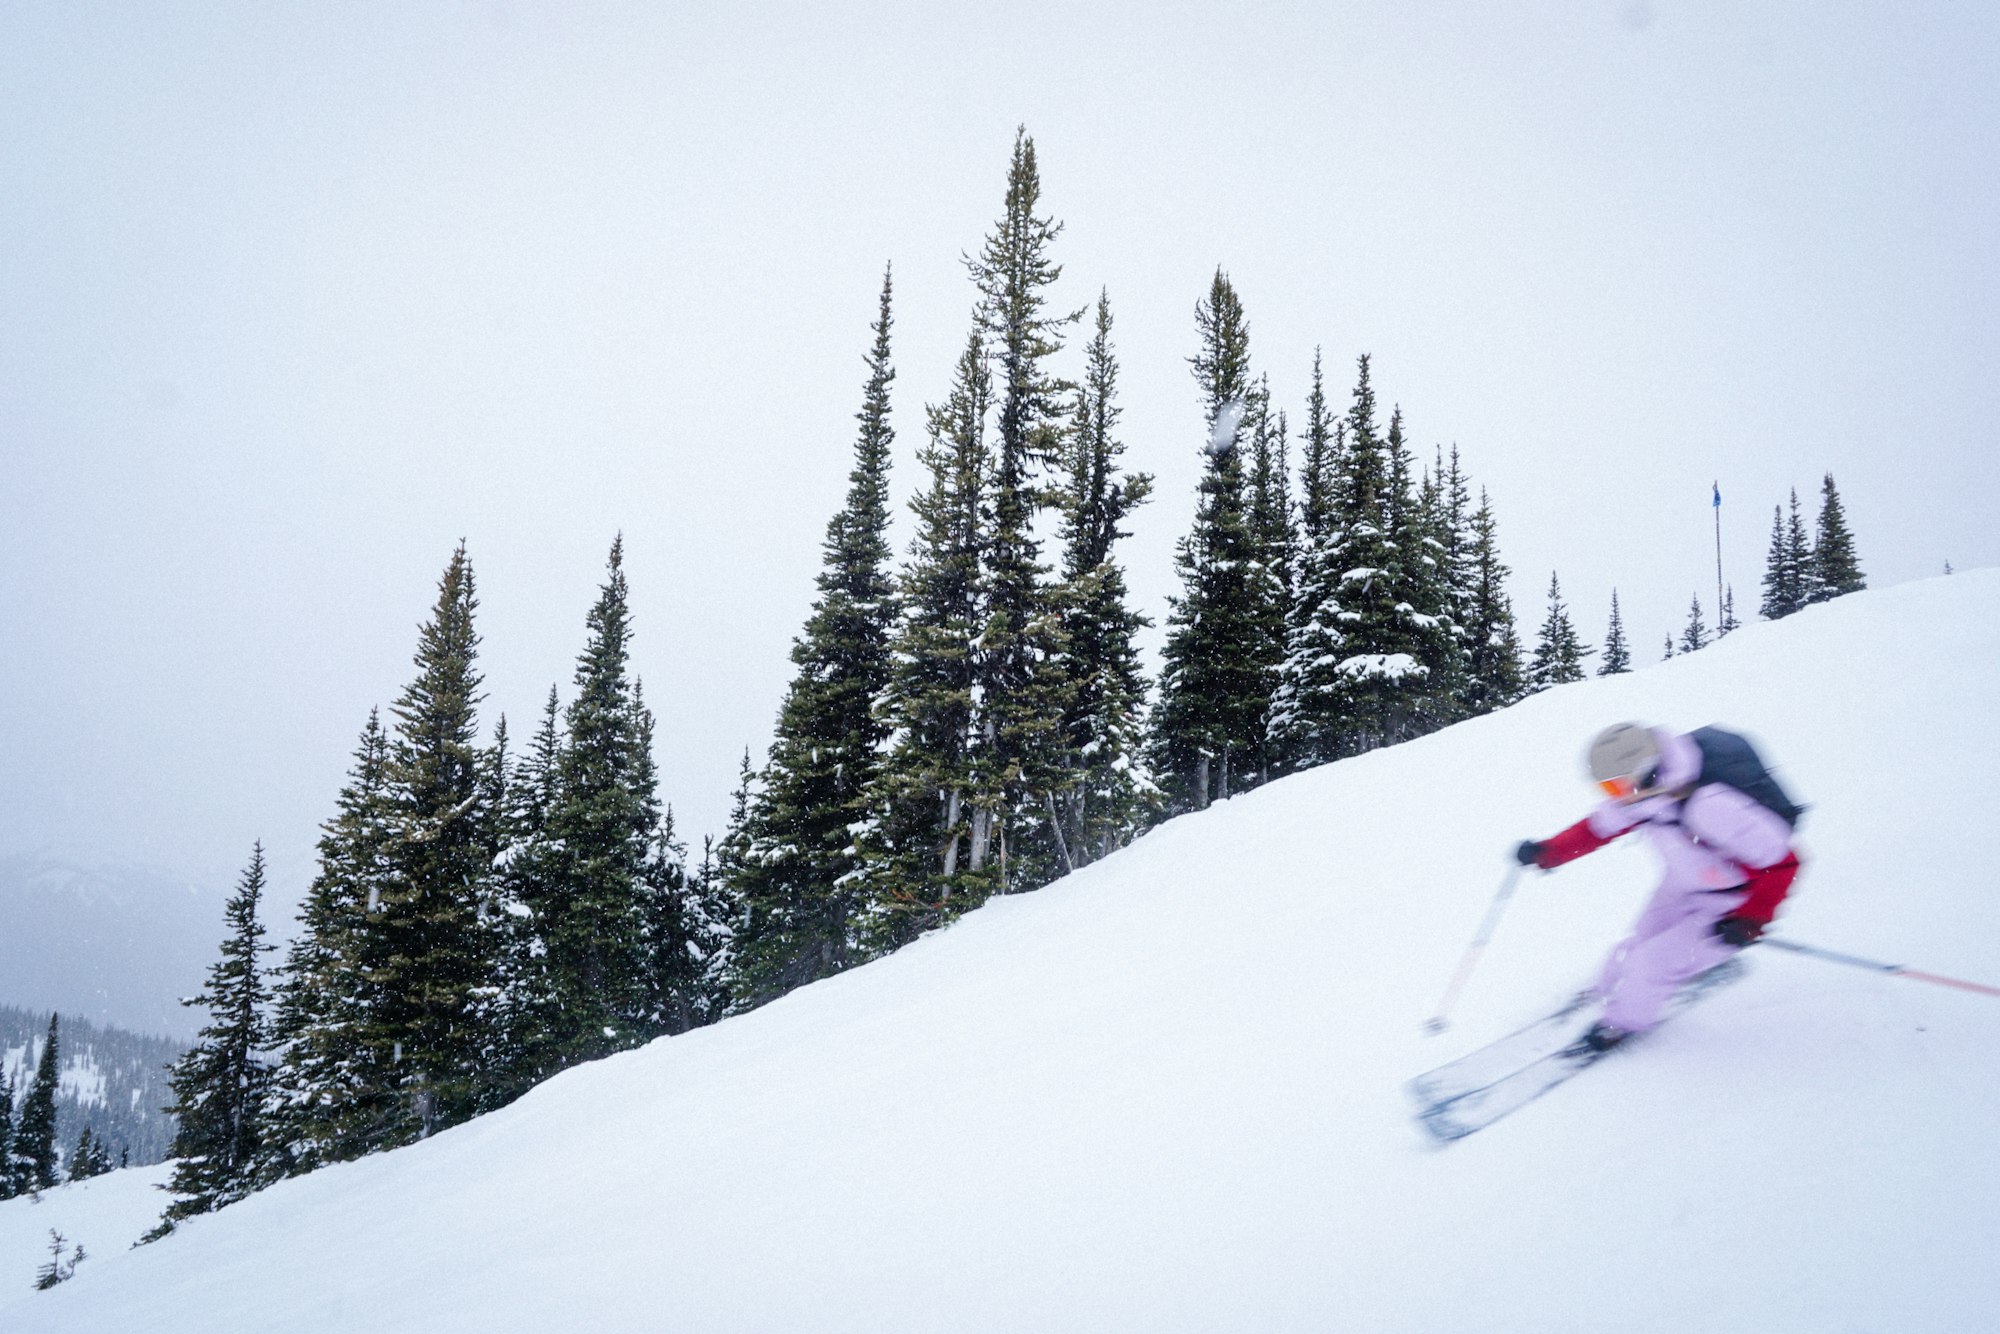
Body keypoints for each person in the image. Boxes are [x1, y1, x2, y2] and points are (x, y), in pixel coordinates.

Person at [1514, 722, 1803, 1051]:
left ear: (1645, 771)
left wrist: (1752, 919)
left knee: (1653, 963)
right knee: (1639, 940)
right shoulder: (1642, 797)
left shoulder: (1710, 806)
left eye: (1615, 787)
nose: (1613, 797)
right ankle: (1605, 988)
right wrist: (1548, 853)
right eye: (1606, 789)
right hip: (1685, 881)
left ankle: (1623, 1022)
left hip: (1732, 900)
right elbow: (1596, 828)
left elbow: (1784, 862)